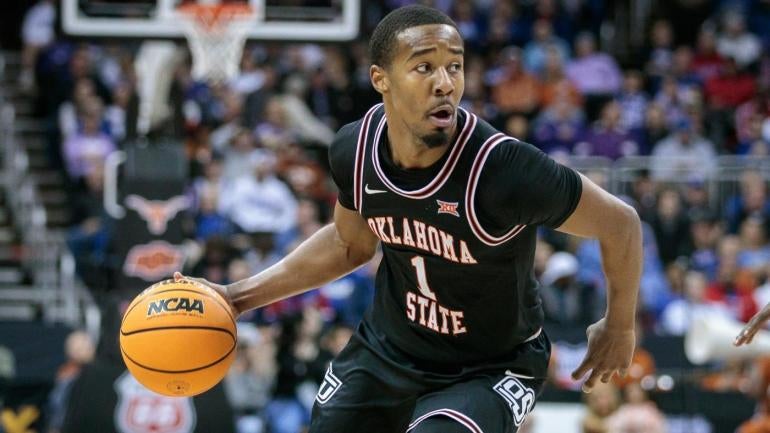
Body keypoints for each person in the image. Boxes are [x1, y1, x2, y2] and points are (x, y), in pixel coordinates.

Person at [177, 6, 642, 433]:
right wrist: (236, 299)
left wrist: (619, 324)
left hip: (491, 366)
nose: (445, 82)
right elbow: (349, 245)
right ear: (381, 79)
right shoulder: (354, 150)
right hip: (388, 352)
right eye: (424, 66)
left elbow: (620, 223)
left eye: (455, 66)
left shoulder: (504, 170)